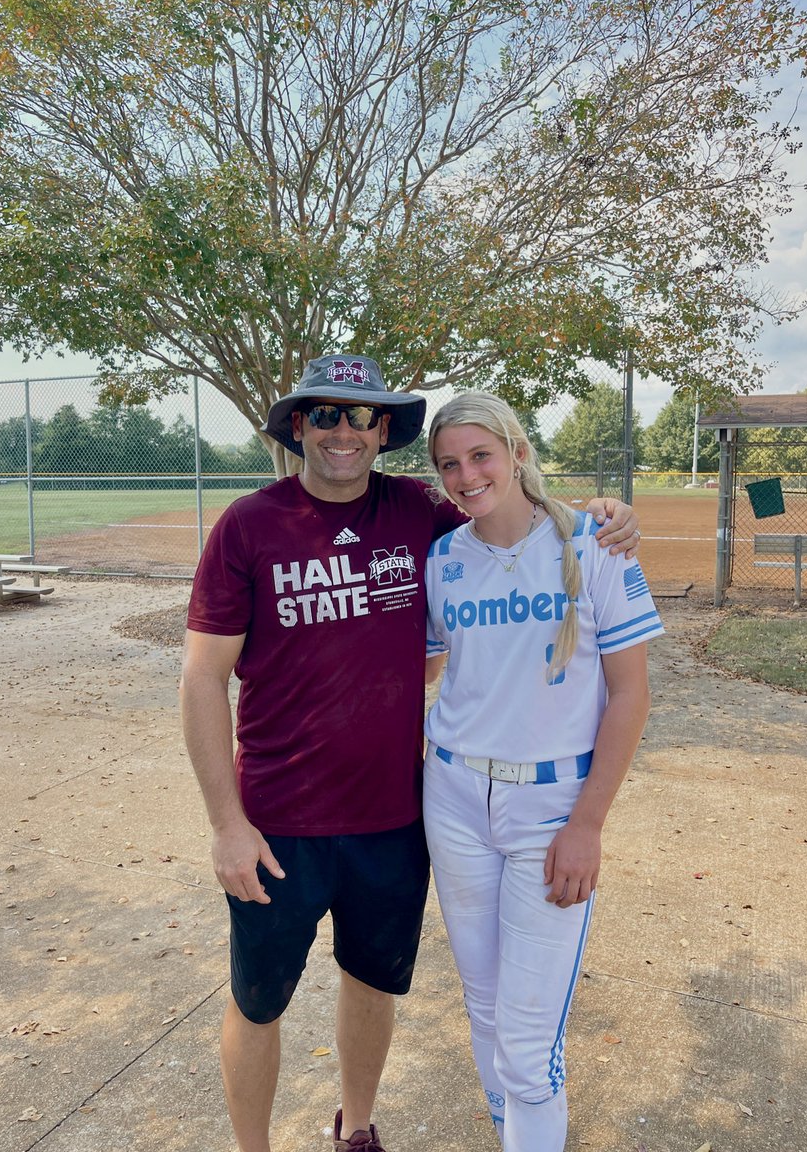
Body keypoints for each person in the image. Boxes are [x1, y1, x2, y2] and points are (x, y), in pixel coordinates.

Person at [179, 356, 641, 1152]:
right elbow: (200, 680)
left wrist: (604, 512)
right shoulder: (249, 525)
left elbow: (507, 522)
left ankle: (356, 1130)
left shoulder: (419, 512)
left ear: (384, 430)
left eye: (363, 417)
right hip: (279, 819)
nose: (345, 433)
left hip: (395, 815)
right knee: (259, 1000)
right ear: (299, 427)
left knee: (371, 980)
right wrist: (226, 823)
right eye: (326, 416)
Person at [423, 392, 663, 1152]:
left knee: (527, 1046)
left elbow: (630, 694)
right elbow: (429, 672)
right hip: (455, 797)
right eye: (449, 464)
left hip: (552, 806)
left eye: (480, 455)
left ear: (517, 450)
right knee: (486, 1013)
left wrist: (586, 823)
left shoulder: (594, 543)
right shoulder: (442, 558)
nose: (466, 475)